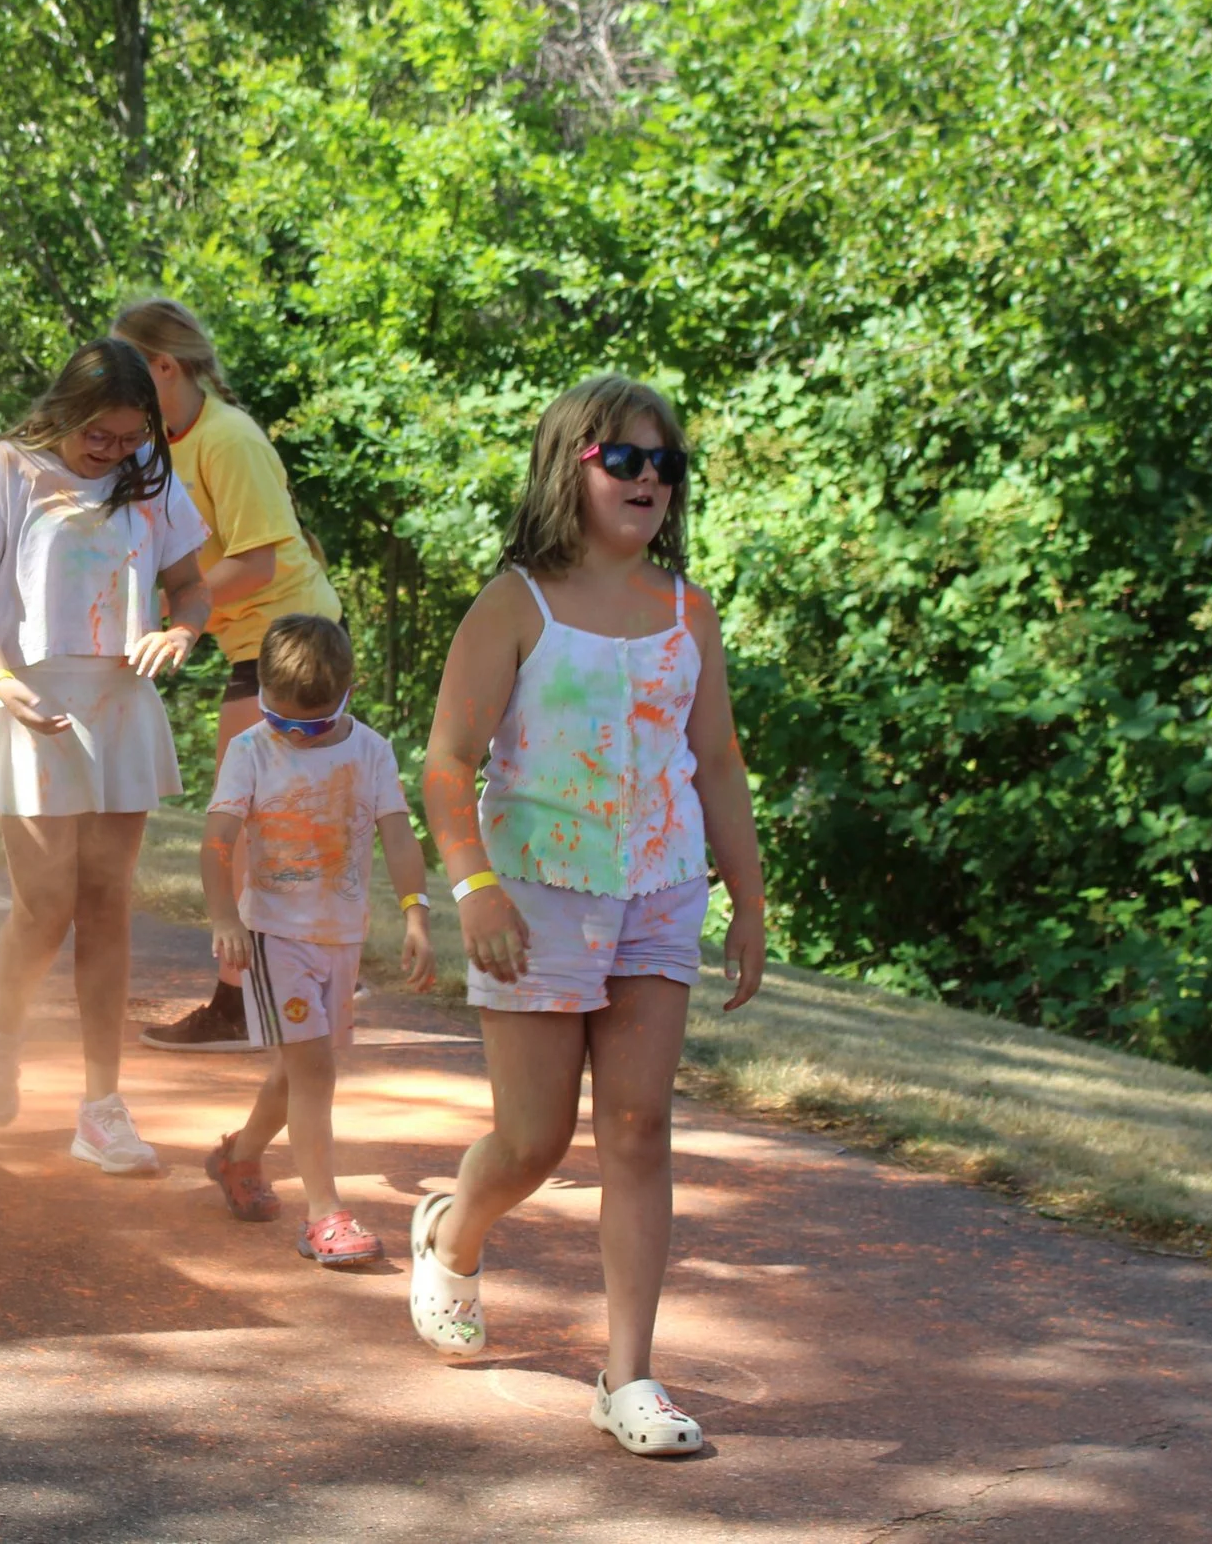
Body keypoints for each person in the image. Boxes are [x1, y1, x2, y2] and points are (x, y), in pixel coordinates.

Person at [416, 374, 766, 1457]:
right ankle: (452, 1230)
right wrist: (472, 887)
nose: (650, 479)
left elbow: (715, 761)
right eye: (626, 458)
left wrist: (747, 897)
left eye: (666, 464)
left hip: (660, 891)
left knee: (636, 1127)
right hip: (533, 896)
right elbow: (445, 764)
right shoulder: (513, 604)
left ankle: (629, 1372)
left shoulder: (685, 611)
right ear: (572, 463)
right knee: (533, 1138)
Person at [0, 338, 211, 1175]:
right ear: (66, 410)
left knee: (105, 901)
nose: (114, 452)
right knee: (45, 901)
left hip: (120, 702)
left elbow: (192, 586)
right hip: (31, 702)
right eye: (100, 436)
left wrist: (180, 630)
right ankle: (3, 1028)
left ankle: (102, 1107)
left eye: (131, 439)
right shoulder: (8, 470)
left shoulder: (152, 479)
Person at [110, 298, 343, 1054]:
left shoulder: (228, 438)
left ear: (165, 367)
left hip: (296, 640)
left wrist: (183, 620)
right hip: (258, 645)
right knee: (255, 825)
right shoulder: (156, 443)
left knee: (240, 825)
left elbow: (261, 560)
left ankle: (244, 1002)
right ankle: (290, 982)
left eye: (129, 368)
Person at [201, 615, 432, 1264]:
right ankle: (325, 1215)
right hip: (274, 936)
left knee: (293, 1071)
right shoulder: (251, 749)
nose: (298, 737)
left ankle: (238, 1157)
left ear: (349, 691)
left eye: (315, 724)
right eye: (285, 722)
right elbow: (217, 841)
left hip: (340, 938)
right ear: (265, 698)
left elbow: (398, 834)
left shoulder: (372, 750)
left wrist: (416, 912)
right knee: (314, 1071)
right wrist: (224, 916)